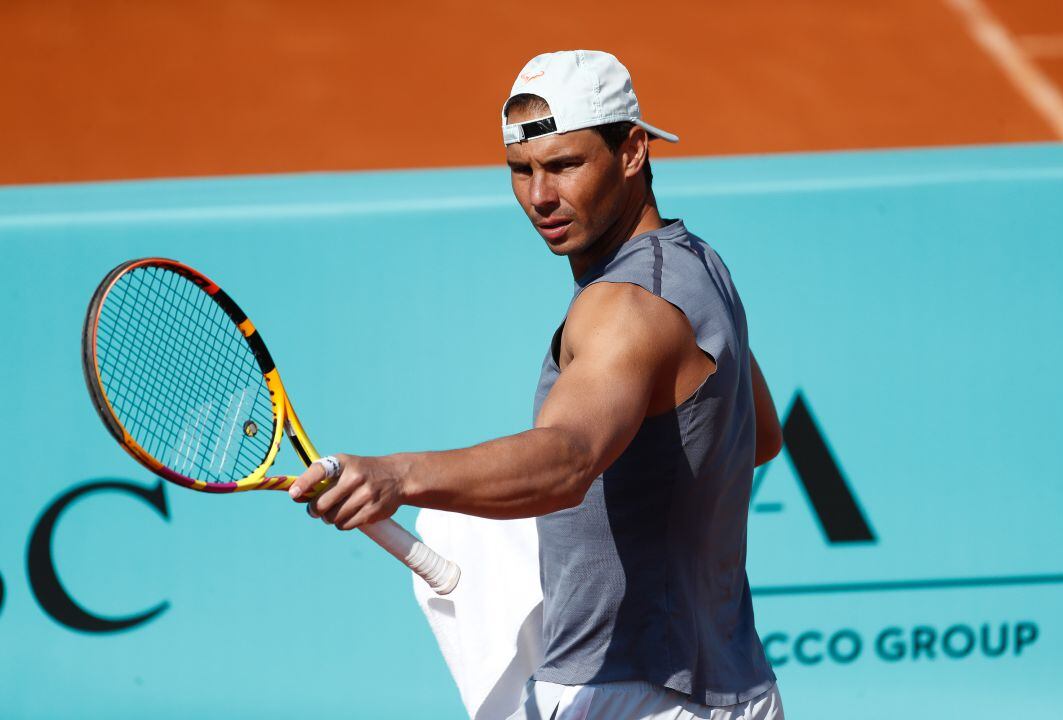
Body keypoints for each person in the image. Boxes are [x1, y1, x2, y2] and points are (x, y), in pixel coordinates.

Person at [290, 49, 785, 720]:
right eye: (520, 171)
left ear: (633, 151)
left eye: (564, 166)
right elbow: (760, 435)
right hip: (734, 690)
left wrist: (397, 475)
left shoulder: (622, 310)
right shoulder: (700, 265)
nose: (539, 197)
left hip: (632, 696)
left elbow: (569, 459)